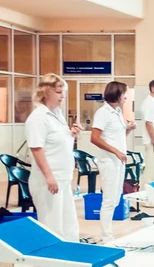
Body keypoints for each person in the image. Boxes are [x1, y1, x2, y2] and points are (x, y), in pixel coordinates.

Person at [25, 73, 81, 246]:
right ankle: (49, 264)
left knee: (69, 225)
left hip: (62, 178)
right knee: (52, 226)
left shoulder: (57, 114)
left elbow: (58, 143)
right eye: (58, 92)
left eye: (63, 92)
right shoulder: (38, 117)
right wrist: (49, 176)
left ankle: (70, 258)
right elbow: (37, 148)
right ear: (46, 92)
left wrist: (71, 134)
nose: (62, 96)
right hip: (48, 180)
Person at [91, 81, 136, 243]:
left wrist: (128, 130)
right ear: (117, 94)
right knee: (109, 199)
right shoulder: (103, 113)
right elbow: (94, 138)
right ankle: (106, 236)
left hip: (118, 160)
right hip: (109, 161)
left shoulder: (117, 112)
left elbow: (117, 138)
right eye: (125, 94)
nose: (126, 97)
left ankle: (108, 232)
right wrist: (116, 152)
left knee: (116, 197)